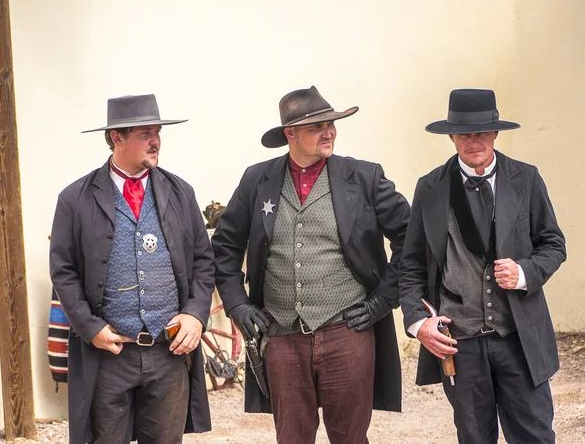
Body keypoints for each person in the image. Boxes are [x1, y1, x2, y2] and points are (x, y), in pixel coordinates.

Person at [211, 86, 411, 443]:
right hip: (281, 337)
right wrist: (237, 304)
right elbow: (224, 247)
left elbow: (411, 240)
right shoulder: (257, 180)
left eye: (331, 124)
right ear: (291, 134)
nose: (329, 132)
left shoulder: (364, 177)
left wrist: (384, 300)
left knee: (350, 438)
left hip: (347, 332)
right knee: (292, 438)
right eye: (318, 126)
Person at [399, 88, 566, 443]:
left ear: (495, 134)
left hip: (518, 337)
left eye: (480, 133)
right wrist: (417, 322)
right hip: (460, 342)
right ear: (452, 137)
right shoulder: (430, 188)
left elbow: (553, 244)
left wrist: (524, 273)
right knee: (474, 437)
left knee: (535, 435)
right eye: (464, 134)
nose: (473, 141)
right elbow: (411, 265)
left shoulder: (527, 179)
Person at [49, 94, 214, 444]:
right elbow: (62, 270)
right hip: (109, 355)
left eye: (157, 132)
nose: (155, 141)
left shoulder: (181, 193)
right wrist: (91, 327)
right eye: (145, 133)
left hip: (168, 352)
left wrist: (196, 315)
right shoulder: (74, 199)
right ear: (116, 138)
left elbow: (203, 260)